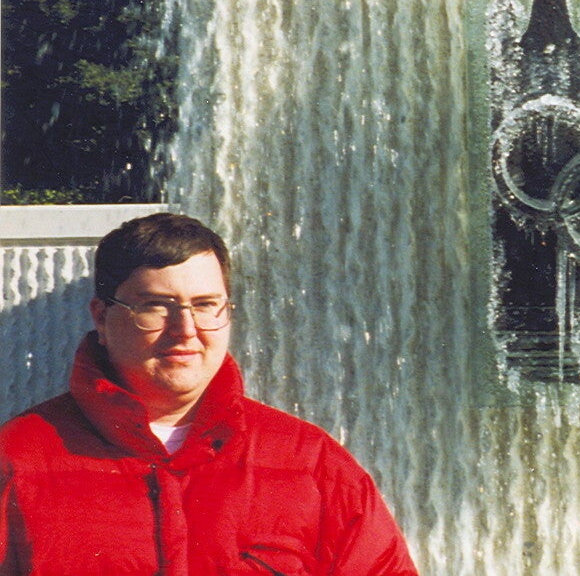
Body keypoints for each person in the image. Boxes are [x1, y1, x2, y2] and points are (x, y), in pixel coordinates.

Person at [0, 213, 417, 575]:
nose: (185, 329)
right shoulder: (18, 460)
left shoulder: (311, 464)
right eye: (155, 305)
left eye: (204, 305)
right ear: (102, 317)